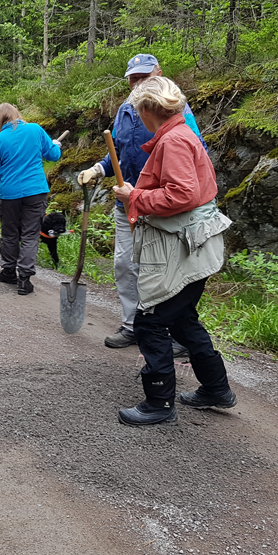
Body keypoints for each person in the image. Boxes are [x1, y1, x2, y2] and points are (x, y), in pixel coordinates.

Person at [110, 76, 235, 426]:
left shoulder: (174, 140)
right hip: (194, 244)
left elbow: (182, 194)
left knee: (150, 321)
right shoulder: (180, 134)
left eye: (139, 111)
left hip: (183, 248)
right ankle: (216, 388)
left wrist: (134, 196)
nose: (139, 117)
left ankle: (159, 403)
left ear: (149, 110)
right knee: (181, 319)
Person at [78, 53, 207, 355]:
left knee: (165, 269)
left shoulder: (177, 111)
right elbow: (117, 152)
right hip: (127, 205)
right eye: (133, 79)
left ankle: (174, 332)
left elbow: (196, 154)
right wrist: (97, 169)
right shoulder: (125, 110)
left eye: (144, 77)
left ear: (158, 74)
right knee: (126, 265)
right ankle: (133, 325)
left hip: (162, 206)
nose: (137, 83)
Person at [0, 103, 62, 295]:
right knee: (30, 234)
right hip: (35, 191)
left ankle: (8, 271)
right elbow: (53, 155)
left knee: (9, 233)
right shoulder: (35, 130)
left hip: (8, 194)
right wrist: (56, 145)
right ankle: (24, 279)